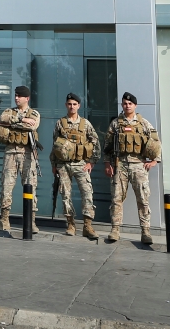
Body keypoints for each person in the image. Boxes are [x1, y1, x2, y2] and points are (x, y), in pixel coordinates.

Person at [103, 92, 162, 244]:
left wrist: (154, 161)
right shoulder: (116, 123)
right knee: (117, 198)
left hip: (138, 164)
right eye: (124, 103)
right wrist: (107, 163)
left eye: (130, 104)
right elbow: (107, 146)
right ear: (122, 105)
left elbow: (156, 143)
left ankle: (145, 231)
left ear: (135, 105)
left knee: (143, 199)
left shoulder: (144, 124)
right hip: (120, 164)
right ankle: (115, 230)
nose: (127, 106)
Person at [50, 93, 100, 238]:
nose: (72, 107)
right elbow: (54, 145)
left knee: (87, 193)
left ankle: (87, 226)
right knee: (66, 195)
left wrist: (92, 162)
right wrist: (54, 164)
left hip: (80, 164)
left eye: (74, 104)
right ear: (66, 105)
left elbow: (95, 142)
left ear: (79, 106)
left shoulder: (85, 124)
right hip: (63, 165)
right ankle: (70, 224)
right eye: (69, 104)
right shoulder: (60, 123)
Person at [0, 85, 41, 232]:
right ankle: (4, 220)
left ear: (26, 98)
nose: (16, 98)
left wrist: (12, 123)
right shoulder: (9, 111)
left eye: (19, 96)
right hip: (10, 153)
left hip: (27, 154)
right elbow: (2, 119)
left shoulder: (34, 113)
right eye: (15, 95)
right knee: (6, 187)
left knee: (30, 186)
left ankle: (31, 222)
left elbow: (32, 127)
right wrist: (22, 119)